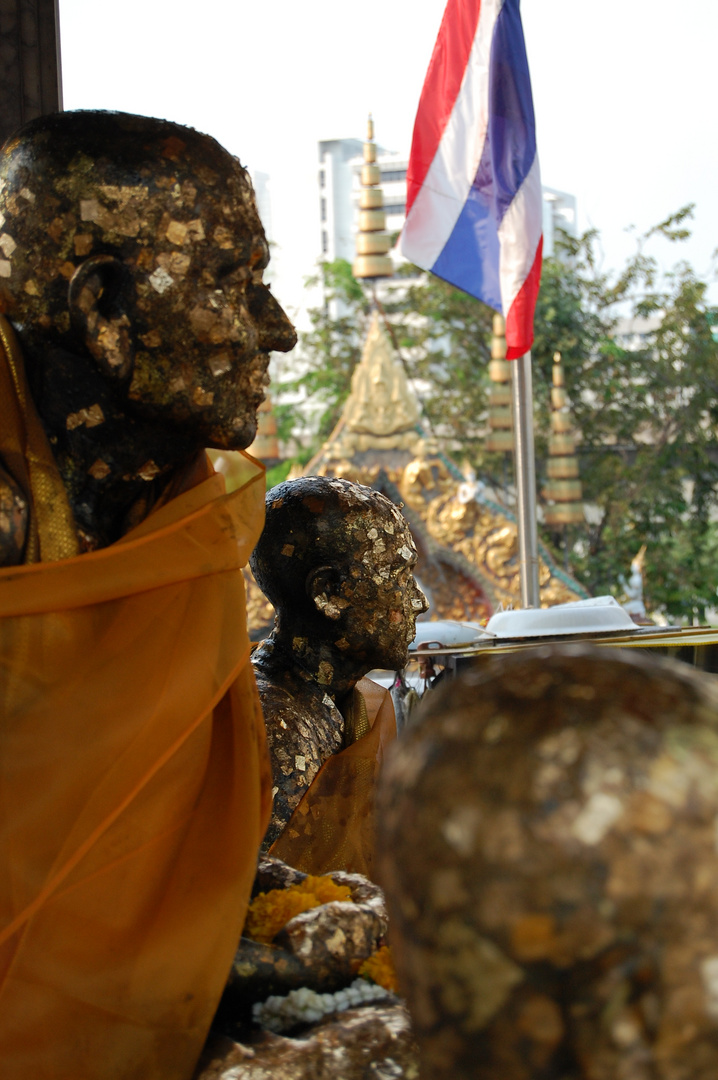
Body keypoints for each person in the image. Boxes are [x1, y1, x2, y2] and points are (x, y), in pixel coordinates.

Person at [0, 111, 296, 1080]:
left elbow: (143, 821)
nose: (278, 330)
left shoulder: (169, 499)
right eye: (232, 284)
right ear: (103, 313)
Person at [250, 475, 429, 878]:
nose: (420, 601)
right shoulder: (277, 725)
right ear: (329, 594)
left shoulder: (341, 701)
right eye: (401, 578)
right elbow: (265, 905)